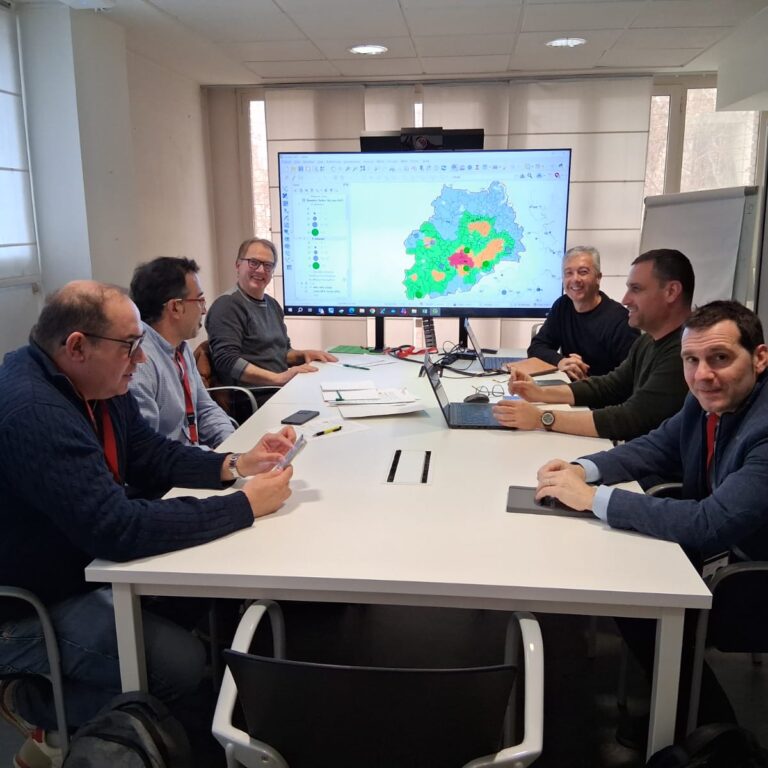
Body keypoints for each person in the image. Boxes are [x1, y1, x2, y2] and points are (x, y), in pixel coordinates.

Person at [0, 281, 296, 768]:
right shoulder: (35, 412)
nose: (140, 360)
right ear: (77, 346)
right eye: (129, 346)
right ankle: (33, 705)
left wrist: (234, 464)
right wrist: (243, 506)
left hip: (76, 564)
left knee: (197, 612)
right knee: (180, 669)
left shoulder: (92, 383)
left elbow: (149, 453)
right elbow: (116, 529)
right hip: (25, 607)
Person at [535, 300, 768, 734]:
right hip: (725, 555)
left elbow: (710, 524)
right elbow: (656, 446)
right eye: (691, 360)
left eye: (720, 358)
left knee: (641, 597)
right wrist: (583, 468)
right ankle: (682, 712)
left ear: (759, 358)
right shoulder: (705, 399)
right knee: (629, 587)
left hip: (751, 576)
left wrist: (593, 499)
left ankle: (714, 732)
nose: (703, 374)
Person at [493, 249, 694, 442]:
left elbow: (631, 418)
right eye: (568, 273)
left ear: (671, 292)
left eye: (636, 289)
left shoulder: (685, 353)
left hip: (644, 457)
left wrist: (542, 418)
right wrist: (539, 393)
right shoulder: (647, 341)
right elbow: (608, 386)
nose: (625, 299)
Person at [129, 256, 234, 448]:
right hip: (174, 465)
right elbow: (149, 452)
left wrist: (234, 445)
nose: (204, 310)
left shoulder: (181, 348)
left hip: (196, 457)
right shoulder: (139, 364)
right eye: (200, 300)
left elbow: (205, 409)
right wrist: (218, 461)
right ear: (175, 307)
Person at [206, 238, 338, 388]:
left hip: (280, 388)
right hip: (258, 396)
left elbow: (282, 353)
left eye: (268, 265)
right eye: (253, 262)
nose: (261, 270)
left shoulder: (273, 305)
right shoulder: (226, 306)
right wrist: (278, 378)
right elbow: (226, 360)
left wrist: (304, 354)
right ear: (238, 265)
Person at [528, 246, 639, 380]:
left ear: (598, 277)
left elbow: (631, 378)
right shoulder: (563, 305)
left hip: (602, 391)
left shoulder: (621, 321)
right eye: (568, 273)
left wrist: (587, 382)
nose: (575, 279)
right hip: (571, 387)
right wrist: (561, 361)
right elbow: (536, 348)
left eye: (583, 272)